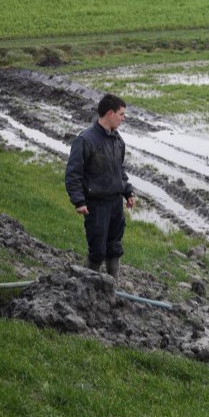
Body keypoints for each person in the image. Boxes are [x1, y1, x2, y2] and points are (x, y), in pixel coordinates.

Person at [65, 94, 134, 280]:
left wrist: (127, 191)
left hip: (115, 204)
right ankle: (90, 288)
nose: (123, 118)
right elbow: (73, 174)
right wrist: (78, 201)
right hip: (96, 206)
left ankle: (113, 286)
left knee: (114, 248)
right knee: (97, 249)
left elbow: (119, 169)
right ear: (110, 113)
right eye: (121, 114)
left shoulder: (117, 140)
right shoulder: (85, 140)